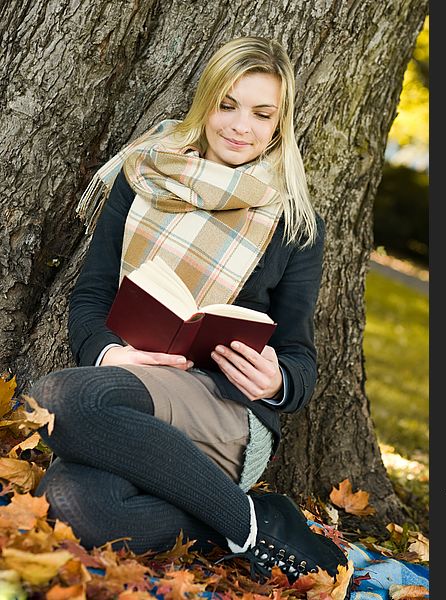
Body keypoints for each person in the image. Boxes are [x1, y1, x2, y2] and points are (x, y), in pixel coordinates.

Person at [32, 37, 348, 583]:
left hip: (223, 412)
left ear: (281, 124)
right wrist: (109, 354)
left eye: (261, 113)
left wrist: (276, 381)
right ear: (205, 102)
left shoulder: (293, 222)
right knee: (68, 502)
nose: (239, 126)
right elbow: (90, 295)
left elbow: (299, 359)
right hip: (130, 390)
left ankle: (237, 518)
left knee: (58, 397)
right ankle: (246, 521)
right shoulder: (145, 177)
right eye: (227, 105)